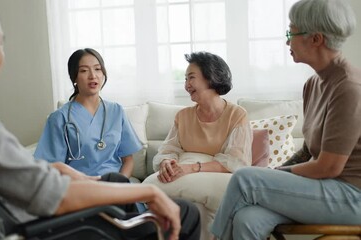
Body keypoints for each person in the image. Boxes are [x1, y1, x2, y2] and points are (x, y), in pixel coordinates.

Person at [0, 0, 201, 239]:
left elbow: (30, 176)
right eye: (1, 45)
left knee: (118, 181)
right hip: (52, 226)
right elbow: (52, 194)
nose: (2, 56)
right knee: (184, 213)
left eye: (97, 69)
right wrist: (148, 191)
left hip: (28, 218)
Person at [210, 0, 361, 239]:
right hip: (325, 190)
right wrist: (276, 172)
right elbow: (307, 150)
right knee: (247, 219)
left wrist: (280, 175)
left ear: (316, 39)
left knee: (244, 177)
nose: (287, 41)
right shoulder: (313, 84)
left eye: (291, 32)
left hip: (352, 196)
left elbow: (329, 167)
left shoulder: (349, 87)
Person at [143, 51, 252, 240]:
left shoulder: (237, 115)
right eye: (185, 79)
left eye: (191, 78)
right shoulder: (183, 116)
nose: (186, 85)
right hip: (189, 177)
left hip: (216, 178)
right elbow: (168, 150)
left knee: (150, 187)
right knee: (197, 208)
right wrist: (167, 164)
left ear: (211, 77)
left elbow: (236, 162)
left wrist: (192, 168)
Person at [34, 48, 141, 178]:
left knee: (152, 196)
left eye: (97, 69)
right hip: (81, 188)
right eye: (84, 70)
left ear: (103, 74)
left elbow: (128, 160)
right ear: (74, 77)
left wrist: (120, 185)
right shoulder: (59, 118)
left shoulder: (116, 111)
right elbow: (53, 168)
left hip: (115, 186)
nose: (92, 75)